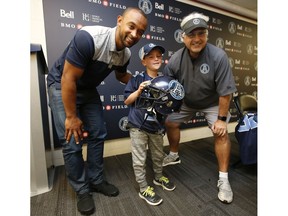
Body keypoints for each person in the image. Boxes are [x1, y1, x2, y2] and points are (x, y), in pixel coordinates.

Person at [46, 7, 148, 215]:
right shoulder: (90, 38)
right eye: (131, 26)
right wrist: (72, 116)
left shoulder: (125, 54)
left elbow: (121, 77)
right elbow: (68, 79)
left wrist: (145, 83)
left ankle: (96, 180)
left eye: (140, 32)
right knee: (72, 141)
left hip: (87, 88)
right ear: (119, 20)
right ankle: (82, 190)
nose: (135, 34)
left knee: (98, 133)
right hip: (61, 84)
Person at [162, 12, 237, 204]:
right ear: (183, 37)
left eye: (201, 33)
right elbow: (170, 87)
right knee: (170, 122)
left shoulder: (218, 56)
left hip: (213, 102)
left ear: (206, 35)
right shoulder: (175, 59)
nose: (197, 39)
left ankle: (223, 178)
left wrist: (220, 119)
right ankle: (174, 154)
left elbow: (225, 92)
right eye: (191, 34)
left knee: (221, 133)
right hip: (187, 102)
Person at [124, 43, 176, 206]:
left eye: (158, 56)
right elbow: (127, 101)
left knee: (158, 155)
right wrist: (139, 91)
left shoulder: (166, 82)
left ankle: (159, 177)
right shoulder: (137, 79)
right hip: (138, 126)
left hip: (157, 127)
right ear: (143, 61)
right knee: (139, 159)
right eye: (151, 56)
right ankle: (143, 188)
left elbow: (170, 105)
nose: (156, 59)